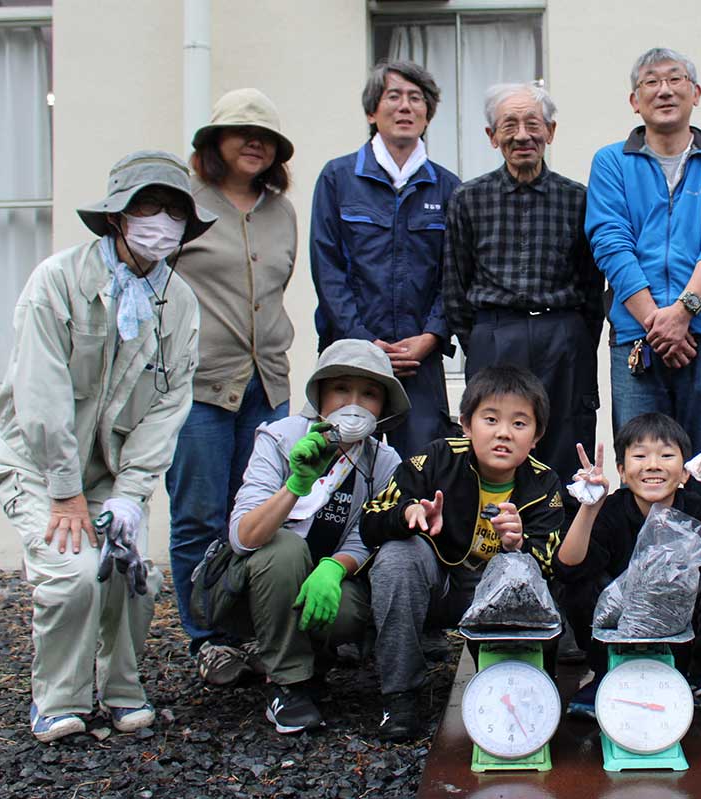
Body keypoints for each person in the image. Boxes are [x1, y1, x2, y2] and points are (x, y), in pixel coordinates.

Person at [0, 150, 213, 742]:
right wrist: (66, 494)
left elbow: (169, 406)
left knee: (133, 574)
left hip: (116, 471)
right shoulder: (57, 281)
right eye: (148, 206)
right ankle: (59, 698)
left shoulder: (180, 301)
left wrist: (130, 494)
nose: (162, 222)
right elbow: (38, 395)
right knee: (70, 576)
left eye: (174, 211)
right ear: (117, 216)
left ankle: (121, 687)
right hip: (42, 465)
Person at [167, 88, 298, 678]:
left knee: (270, 510)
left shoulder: (281, 212)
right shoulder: (180, 205)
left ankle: (260, 629)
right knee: (199, 514)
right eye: (243, 133)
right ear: (213, 142)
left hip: (267, 386)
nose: (255, 144)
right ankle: (207, 638)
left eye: (266, 137)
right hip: (198, 384)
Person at [359, 364, 564, 740]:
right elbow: (370, 520)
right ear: (466, 425)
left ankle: (528, 696)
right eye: (490, 419)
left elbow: (552, 566)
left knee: (524, 573)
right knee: (397, 556)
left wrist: (518, 547)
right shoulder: (437, 458)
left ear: (536, 437)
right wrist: (409, 514)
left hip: (499, 597)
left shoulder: (544, 483)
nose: (503, 433)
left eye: (520, 424)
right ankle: (400, 697)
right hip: (441, 586)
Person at [212, 339, 406, 735]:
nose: (353, 403)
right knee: (285, 548)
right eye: (341, 389)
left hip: (325, 582)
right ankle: (288, 685)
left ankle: (311, 660)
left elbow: (365, 536)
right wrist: (296, 485)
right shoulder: (279, 437)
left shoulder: (384, 462)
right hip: (258, 584)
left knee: (353, 608)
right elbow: (243, 536)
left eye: (369, 394)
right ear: (319, 393)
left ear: (383, 407)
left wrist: (334, 569)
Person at [585, 47, 701, 497]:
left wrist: (684, 312)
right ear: (634, 100)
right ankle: (643, 563)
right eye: (651, 82)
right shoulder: (612, 162)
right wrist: (657, 322)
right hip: (637, 337)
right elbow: (609, 241)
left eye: (675, 79)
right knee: (642, 459)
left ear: (695, 93)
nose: (664, 90)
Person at [443, 82, 604, 488]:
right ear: (492, 136)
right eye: (509, 125)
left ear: (550, 131)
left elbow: (591, 284)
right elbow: (455, 284)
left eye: (533, 124)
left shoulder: (579, 199)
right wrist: (482, 336)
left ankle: (565, 543)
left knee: (568, 444)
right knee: (496, 445)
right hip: (495, 334)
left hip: (563, 334)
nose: (522, 135)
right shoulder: (467, 199)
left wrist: (576, 339)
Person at [553, 414, 701, 720]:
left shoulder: (700, 509)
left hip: (683, 637)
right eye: (640, 455)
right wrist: (589, 507)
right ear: (621, 469)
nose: (653, 465)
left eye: (667, 455)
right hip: (619, 630)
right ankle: (605, 675)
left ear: (685, 472)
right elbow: (567, 570)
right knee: (581, 583)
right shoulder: (610, 511)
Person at [311, 60, 461, 457]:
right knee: (343, 468)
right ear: (371, 111)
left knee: (423, 469)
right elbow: (327, 268)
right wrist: (362, 341)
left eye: (416, 99)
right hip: (350, 359)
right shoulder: (337, 178)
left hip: (419, 361)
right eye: (393, 96)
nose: (405, 107)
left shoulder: (448, 187)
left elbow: (455, 275)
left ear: (428, 113)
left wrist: (431, 336)